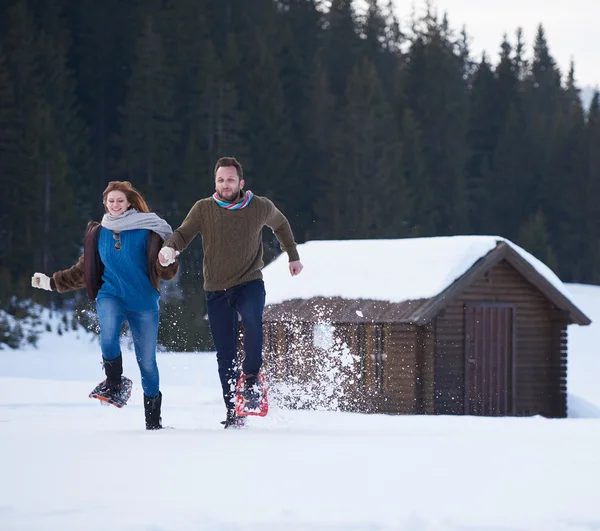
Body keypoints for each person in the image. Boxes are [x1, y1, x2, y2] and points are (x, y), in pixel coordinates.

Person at [158, 156, 303, 428]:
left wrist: (292, 255)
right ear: (216, 182)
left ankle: (250, 380)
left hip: (249, 283)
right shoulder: (203, 208)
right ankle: (233, 412)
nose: (225, 185)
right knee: (225, 353)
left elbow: (280, 224)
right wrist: (170, 248)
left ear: (241, 182)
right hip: (216, 290)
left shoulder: (259, 206)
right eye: (221, 180)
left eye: (230, 180)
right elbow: (184, 233)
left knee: (252, 323)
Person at [31, 181, 179, 430]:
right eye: (111, 201)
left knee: (148, 363)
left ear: (129, 202)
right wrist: (51, 283)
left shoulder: (148, 230)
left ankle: (154, 422)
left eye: (120, 200)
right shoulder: (99, 234)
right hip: (110, 295)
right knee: (108, 337)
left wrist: (168, 258)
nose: (115, 205)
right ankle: (114, 382)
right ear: (105, 203)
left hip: (143, 301)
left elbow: (166, 272)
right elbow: (82, 270)